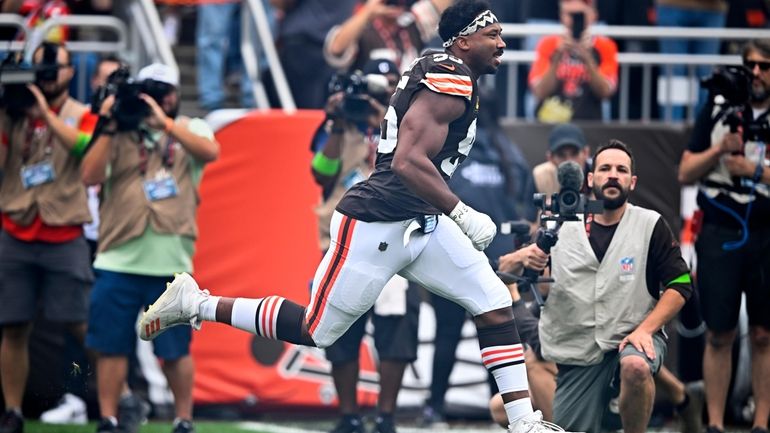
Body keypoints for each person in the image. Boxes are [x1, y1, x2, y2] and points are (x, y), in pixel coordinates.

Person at [139, 2, 577, 433]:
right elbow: (407, 161)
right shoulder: (451, 76)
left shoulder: (448, 70)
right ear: (464, 41)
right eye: (492, 35)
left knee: (494, 304)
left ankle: (525, 424)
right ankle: (196, 303)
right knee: (317, 329)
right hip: (379, 220)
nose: (502, 44)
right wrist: (460, 210)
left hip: (419, 220)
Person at [81, 62, 220, 433]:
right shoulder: (119, 131)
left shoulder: (190, 128)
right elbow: (88, 175)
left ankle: (184, 419)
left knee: (174, 350)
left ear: (175, 95)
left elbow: (210, 151)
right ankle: (109, 418)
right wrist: (110, 123)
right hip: (117, 257)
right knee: (111, 345)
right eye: (151, 92)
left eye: (164, 92)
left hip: (170, 262)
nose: (159, 100)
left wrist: (165, 124)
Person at [539, 140, 693, 433]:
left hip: (632, 339)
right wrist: (530, 257)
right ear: (590, 179)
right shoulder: (560, 224)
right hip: (580, 350)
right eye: (605, 168)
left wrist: (647, 329)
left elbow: (682, 282)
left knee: (635, 366)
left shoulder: (650, 224)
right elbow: (543, 289)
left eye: (621, 170)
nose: (613, 175)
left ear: (632, 182)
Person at [310, 58, 419, 433]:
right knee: (339, 329)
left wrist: (382, 124)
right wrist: (338, 123)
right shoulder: (336, 125)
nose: (378, 94)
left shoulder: (409, 123)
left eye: (387, 85)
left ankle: (386, 417)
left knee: (396, 332)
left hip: (394, 242)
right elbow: (320, 173)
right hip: (342, 240)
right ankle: (348, 416)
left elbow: (415, 169)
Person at [421, 85, 538, 426]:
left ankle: (435, 408)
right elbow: (529, 213)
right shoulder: (511, 153)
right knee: (497, 336)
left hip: (455, 261)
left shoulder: (452, 150)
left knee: (449, 334)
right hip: (495, 264)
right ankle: (499, 412)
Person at [0, 41, 97, 433]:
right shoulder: (13, 113)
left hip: (64, 231)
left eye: (53, 70)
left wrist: (44, 113)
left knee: (83, 323)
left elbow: (85, 150)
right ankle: (12, 411)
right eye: (39, 70)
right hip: (16, 228)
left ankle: (117, 396)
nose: (46, 77)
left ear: (71, 72)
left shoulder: (81, 114)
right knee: (14, 326)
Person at [678, 38, 770, 433]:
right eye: (750, 65)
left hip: (767, 233)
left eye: (765, 65)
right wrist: (719, 152)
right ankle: (714, 424)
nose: (756, 73)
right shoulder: (716, 108)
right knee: (719, 332)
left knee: (765, 334)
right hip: (718, 232)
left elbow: (754, 170)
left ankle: (762, 423)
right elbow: (684, 171)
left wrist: (753, 170)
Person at [528, 0, 617, 123]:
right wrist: (558, 55)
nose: (572, 20)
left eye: (579, 15)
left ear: (593, 15)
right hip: (551, 122)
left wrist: (587, 58)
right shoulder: (548, 44)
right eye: (568, 14)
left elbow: (604, 92)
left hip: (590, 123)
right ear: (561, 16)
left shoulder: (605, 46)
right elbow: (540, 92)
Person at [323, 0, 451, 73]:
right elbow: (336, 49)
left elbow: (440, 5)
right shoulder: (363, 29)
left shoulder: (412, 23)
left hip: (406, 104)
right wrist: (369, 11)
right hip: (372, 105)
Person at [532, 123, 590, 195]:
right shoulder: (542, 178)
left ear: (586, 153)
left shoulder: (597, 174)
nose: (569, 161)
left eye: (574, 153)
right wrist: (547, 201)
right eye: (561, 155)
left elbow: (605, 205)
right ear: (550, 158)